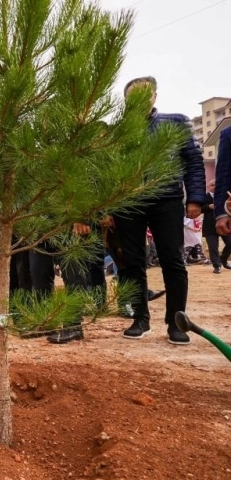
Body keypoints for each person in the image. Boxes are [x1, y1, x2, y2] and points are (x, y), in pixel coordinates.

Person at [111, 77, 205, 345]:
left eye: (145, 95)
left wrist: (195, 198)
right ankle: (140, 318)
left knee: (172, 261)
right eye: (133, 96)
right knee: (131, 262)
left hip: (167, 199)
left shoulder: (175, 122)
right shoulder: (119, 131)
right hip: (129, 204)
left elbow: (194, 162)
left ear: (154, 96)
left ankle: (176, 322)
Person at [201, 179, 231, 274]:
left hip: (224, 225)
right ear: (208, 187)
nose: (214, 186)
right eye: (212, 185)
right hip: (209, 226)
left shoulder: (226, 197)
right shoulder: (204, 197)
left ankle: (224, 258)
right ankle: (217, 265)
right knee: (213, 247)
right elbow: (199, 209)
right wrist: (209, 206)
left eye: (216, 185)